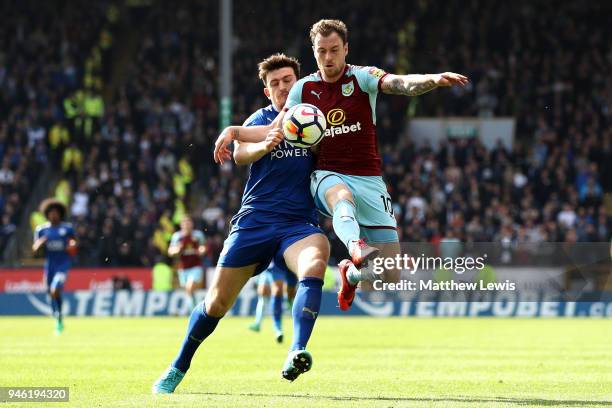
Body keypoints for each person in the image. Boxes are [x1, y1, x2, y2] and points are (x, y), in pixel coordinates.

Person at [213, 19, 468, 311]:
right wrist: (233, 131)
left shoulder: (363, 78)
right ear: (314, 52)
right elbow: (275, 127)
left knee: (389, 275)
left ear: (346, 49)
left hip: (369, 179)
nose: (328, 57)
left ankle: (351, 273)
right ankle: (355, 246)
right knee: (341, 197)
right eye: (322, 51)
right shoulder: (303, 89)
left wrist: (432, 80)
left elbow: (400, 83)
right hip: (328, 174)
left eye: (334, 50)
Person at [153, 54, 330, 394]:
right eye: (275, 83)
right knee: (216, 304)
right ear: (267, 92)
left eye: (287, 80)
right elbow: (239, 154)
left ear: (300, 83)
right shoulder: (260, 119)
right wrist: (263, 144)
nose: (282, 87)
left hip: (298, 224)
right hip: (255, 222)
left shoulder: (315, 121)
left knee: (316, 260)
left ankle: (297, 350)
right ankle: (178, 366)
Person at [32, 198, 77, 335]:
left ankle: (59, 317)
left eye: (56, 212)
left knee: (55, 289)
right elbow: (35, 250)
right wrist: (40, 243)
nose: (53, 215)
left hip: (63, 265)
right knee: (51, 293)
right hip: (49, 266)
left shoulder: (67, 228)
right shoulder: (41, 230)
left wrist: (72, 246)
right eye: (51, 213)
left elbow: (73, 244)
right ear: (46, 214)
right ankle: (58, 318)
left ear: (60, 213)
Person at [248, 260, 298, 344]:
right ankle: (275, 327)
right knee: (268, 293)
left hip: (289, 262)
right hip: (273, 264)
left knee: (289, 293)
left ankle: (290, 303)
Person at [168, 215, 206, 309]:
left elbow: (203, 246)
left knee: (190, 287)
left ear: (192, 224)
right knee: (188, 291)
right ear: (182, 225)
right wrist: (176, 250)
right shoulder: (177, 236)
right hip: (183, 268)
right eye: (185, 223)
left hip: (196, 266)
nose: (187, 225)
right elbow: (170, 251)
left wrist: (202, 250)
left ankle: (194, 311)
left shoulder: (198, 235)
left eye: (189, 223)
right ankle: (196, 309)